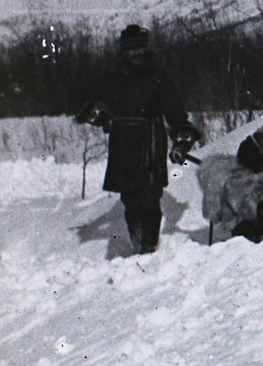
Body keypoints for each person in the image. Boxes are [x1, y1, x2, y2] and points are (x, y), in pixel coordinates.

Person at [76, 24, 202, 254]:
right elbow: (91, 104)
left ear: (145, 49)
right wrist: (101, 115)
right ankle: (137, 242)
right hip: (122, 143)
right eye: (130, 49)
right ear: (124, 52)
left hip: (150, 141)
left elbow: (175, 112)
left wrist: (182, 140)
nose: (135, 53)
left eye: (139, 48)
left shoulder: (158, 78)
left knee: (150, 197)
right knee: (129, 199)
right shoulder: (112, 79)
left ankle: (148, 246)